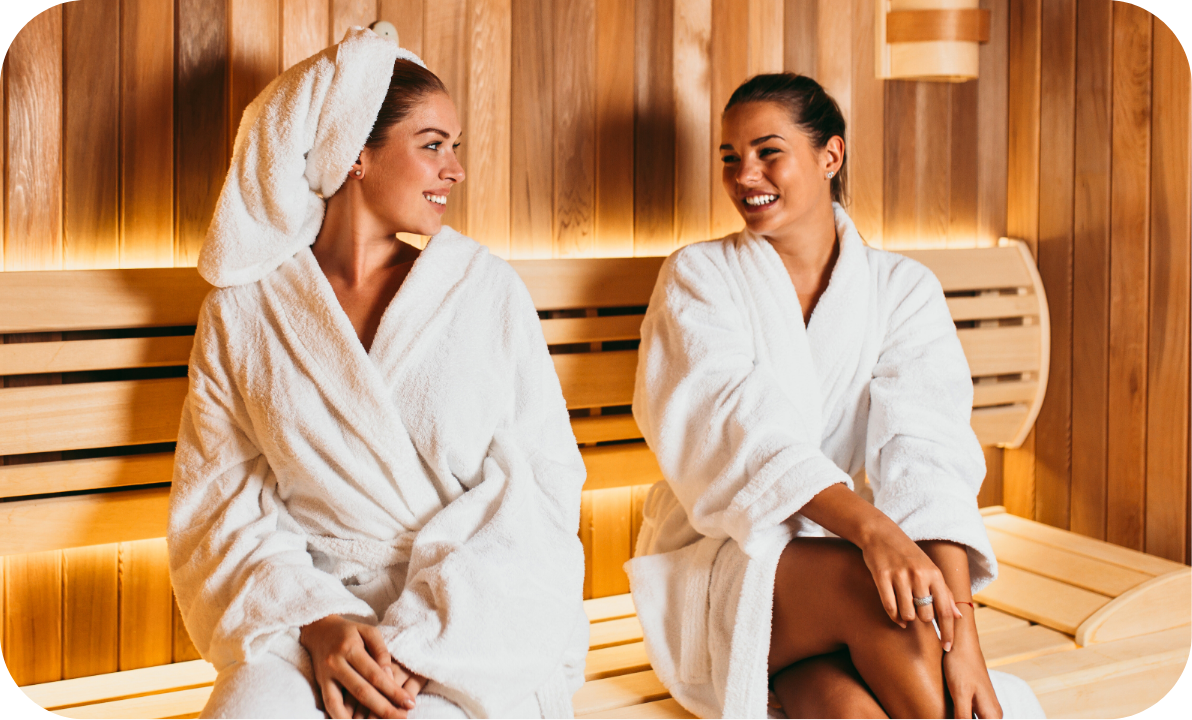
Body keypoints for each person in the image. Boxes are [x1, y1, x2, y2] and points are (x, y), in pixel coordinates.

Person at [168, 28, 588, 720]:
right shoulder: (245, 313)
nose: (455, 170)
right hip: (311, 610)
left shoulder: (485, 292)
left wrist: (418, 644)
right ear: (355, 154)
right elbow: (219, 502)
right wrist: (317, 619)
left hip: (470, 616)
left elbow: (540, 489)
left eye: (455, 147)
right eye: (433, 145)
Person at [626, 73, 1046, 719]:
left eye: (768, 152)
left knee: (852, 709)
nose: (745, 176)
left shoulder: (902, 290)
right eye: (731, 158)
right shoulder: (699, 277)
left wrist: (963, 640)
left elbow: (928, 460)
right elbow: (731, 427)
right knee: (882, 597)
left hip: (858, 577)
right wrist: (874, 532)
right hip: (728, 563)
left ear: (830, 156)